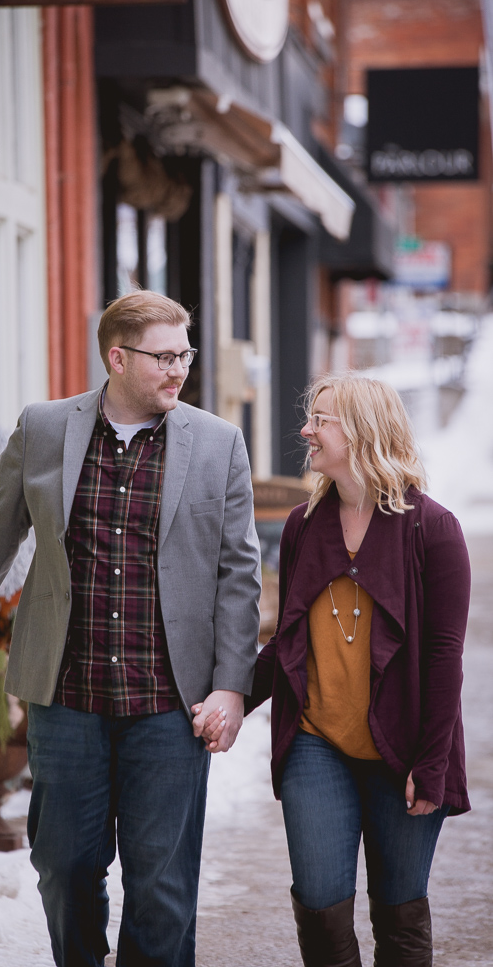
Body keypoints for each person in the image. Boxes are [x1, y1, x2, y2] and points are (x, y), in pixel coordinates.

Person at [0, 290, 261, 967]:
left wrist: (232, 686)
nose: (180, 369)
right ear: (117, 357)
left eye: (185, 354)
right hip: (66, 698)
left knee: (162, 889)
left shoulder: (218, 444)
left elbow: (238, 575)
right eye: (164, 356)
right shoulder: (46, 428)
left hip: (169, 705)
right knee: (63, 871)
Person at [195, 373, 470, 967]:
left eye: (321, 419)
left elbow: (445, 659)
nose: (306, 431)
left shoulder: (433, 529)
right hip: (317, 745)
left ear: (364, 430)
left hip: (406, 748)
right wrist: (232, 695)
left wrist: (431, 763)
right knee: (320, 904)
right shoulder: (303, 525)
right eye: (311, 417)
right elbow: (287, 644)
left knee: (399, 911)